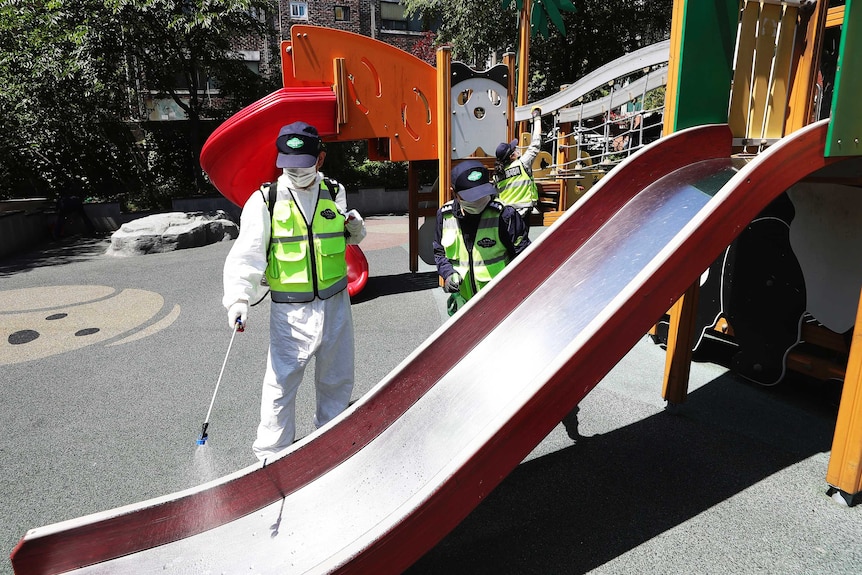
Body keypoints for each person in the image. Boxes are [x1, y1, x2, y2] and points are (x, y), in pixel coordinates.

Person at [222, 121, 366, 462]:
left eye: (303, 164)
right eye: (288, 164)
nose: (295, 171)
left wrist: (355, 230)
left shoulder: (334, 190)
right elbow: (247, 253)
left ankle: (331, 447)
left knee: (336, 381)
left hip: (336, 305)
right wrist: (238, 299)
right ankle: (271, 457)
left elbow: (342, 237)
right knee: (281, 386)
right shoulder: (265, 200)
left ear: (320, 159)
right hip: (290, 311)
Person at [433, 159, 531, 316]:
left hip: (500, 302)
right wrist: (448, 273)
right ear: (454, 193)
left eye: (482, 195)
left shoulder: (505, 215)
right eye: (471, 198)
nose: (478, 202)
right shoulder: (445, 216)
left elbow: (524, 257)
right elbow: (439, 252)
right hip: (463, 304)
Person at [494, 106, 543, 232]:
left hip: (505, 215)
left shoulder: (497, 175)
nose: (517, 149)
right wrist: (537, 117)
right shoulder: (522, 164)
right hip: (523, 213)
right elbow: (536, 143)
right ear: (511, 156)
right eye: (514, 149)